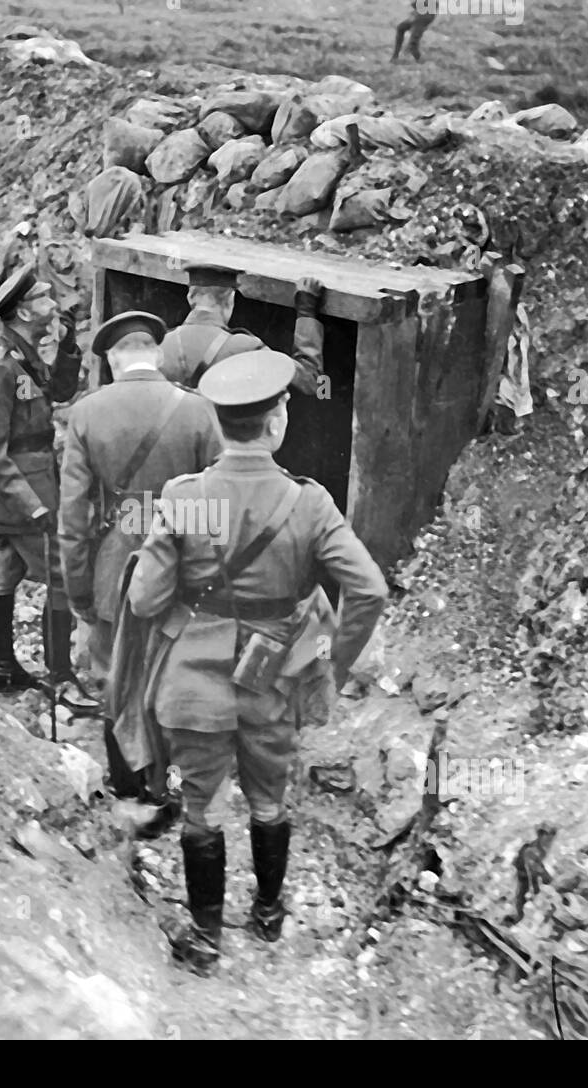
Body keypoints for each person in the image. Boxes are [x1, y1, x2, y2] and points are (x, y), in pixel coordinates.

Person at [127, 349, 389, 975]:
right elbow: (370, 590)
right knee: (270, 801)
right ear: (275, 423)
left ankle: (206, 933)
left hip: (193, 682)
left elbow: (143, 599)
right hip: (274, 679)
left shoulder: (185, 496)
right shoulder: (309, 503)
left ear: (221, 426)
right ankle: (268, 917)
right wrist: (334, 664)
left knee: (202, 807)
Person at [58, 311, 223, 829]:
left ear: (111, 360)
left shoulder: (87, 414)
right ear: (155, 353)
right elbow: (220, 502)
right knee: (172, 675)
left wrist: (79, 588)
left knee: (114, 673)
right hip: (180, 566)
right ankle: (173, 789)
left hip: (116, 565)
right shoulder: (199, 411)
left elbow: (74, 517)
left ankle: (127, 783)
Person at [0, 262, 99, 714]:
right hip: (22, 490)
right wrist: (33, 507)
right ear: (25, 312)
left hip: (34, 478)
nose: (53, 304)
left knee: (6, 569)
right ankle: (61, 677)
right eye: (44, 299)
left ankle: (1, 666)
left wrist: (68, 348)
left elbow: (59, 393)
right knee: (63, 574)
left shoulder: (23, 355)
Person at [159, 264, 327, 396]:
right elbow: (310, 381)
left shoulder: (159, 345)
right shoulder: (246, 348)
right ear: (231, 298)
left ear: (190, 297)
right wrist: (306, 311)